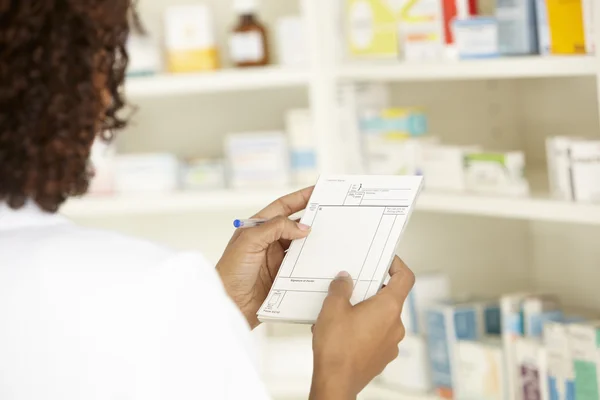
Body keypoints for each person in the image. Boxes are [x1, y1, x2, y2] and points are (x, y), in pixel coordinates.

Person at [0, 1, 415, 399]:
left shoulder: (147, 293)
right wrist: (339, 375)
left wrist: (221, 310)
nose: (108, 96)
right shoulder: (149, 284)